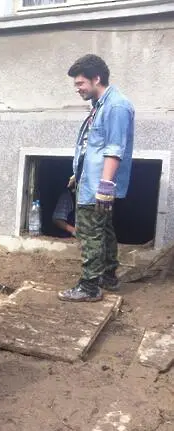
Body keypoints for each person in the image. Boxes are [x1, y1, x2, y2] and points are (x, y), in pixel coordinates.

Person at [59, 54, 134, 302]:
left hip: (98, 186)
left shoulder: (116, 106)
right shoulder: (101, 105)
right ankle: (109, 276)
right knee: (105, 229)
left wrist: (104, 185)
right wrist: (77, 174)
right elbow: (94, 146)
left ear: (96, 78)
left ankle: (89, 286)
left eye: (80, 83)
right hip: (90, 180)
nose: (77, 89)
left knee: (90, 233)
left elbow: (114, 148)